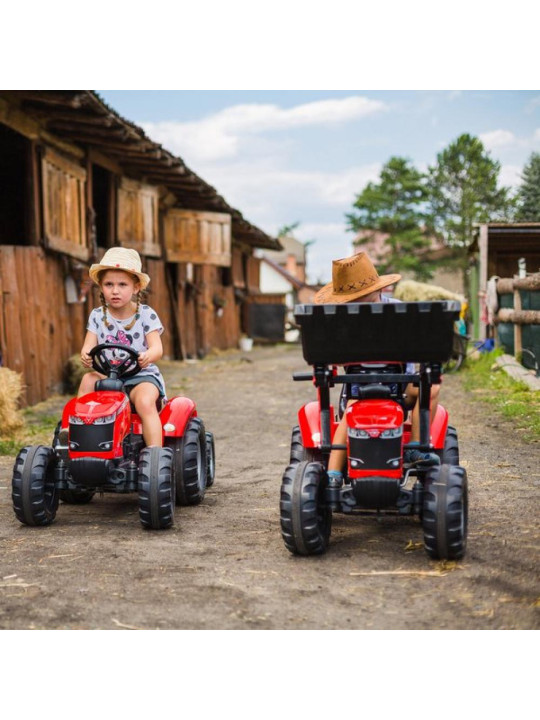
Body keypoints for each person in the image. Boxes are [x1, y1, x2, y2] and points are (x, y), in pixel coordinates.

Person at [313, 252, 441, 487]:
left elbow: (420, 343)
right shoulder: (340, 322)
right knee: (350, 412)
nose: (361, 309)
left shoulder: (400, 313)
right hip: (358, 391)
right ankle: (333, 475)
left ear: (380, 292)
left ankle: (415, 447)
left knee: (431, 390)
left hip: (401, 384)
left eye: (367, 302)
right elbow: (328, 354)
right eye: (353, 304)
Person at [78, 247, 166, 448]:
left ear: (136, 288)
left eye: (122, 284)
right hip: (108, 374)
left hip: (140, 376)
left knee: (144, 402)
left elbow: (157, 349)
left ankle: (155, 454)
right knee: (87, 379)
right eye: (109, 284)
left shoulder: (146, 314)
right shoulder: (97, 315)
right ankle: (74, 430)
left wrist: (147, 355)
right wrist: (85, 356)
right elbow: (88, 347)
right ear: (101, 287)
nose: (115, 290)